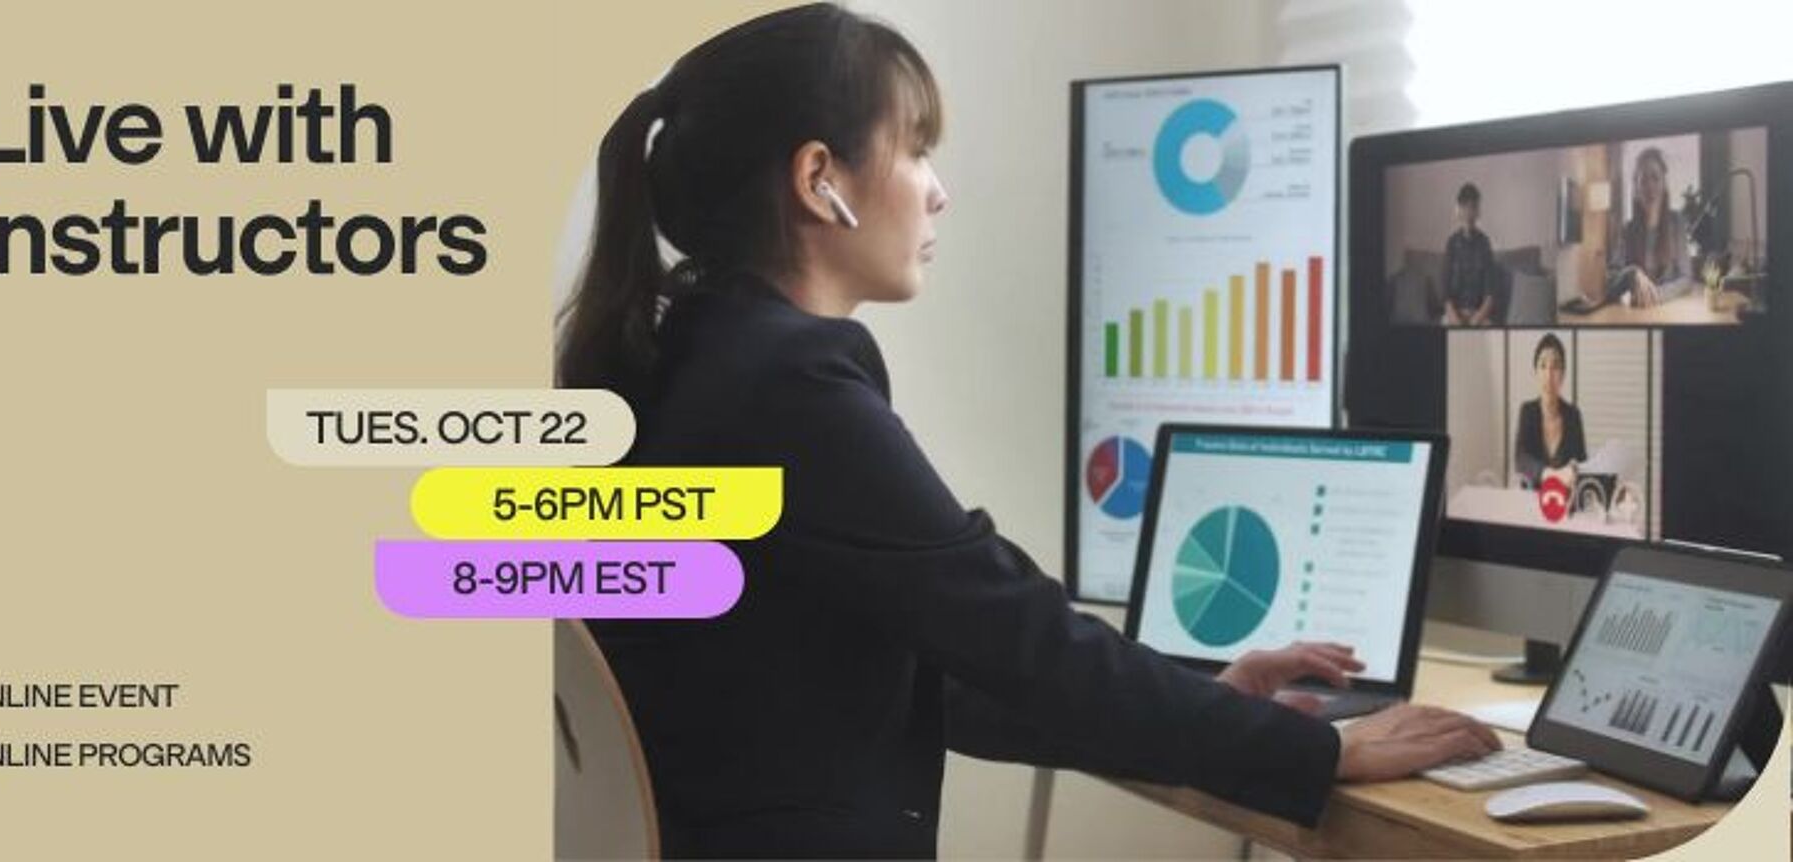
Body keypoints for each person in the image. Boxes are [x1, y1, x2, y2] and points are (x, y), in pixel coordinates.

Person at [558, 5, 1499, 857]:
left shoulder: (693, 354)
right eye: (916, 149)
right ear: (820, 181)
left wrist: (1213, 704)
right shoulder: (787, 384)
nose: (938, 191)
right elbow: (1011, 627)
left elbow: (932, 666)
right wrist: (1317, 749)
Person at [1609, 147, 1693, 307]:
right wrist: (1631, 273)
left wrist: (1655, 295)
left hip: (1669, 311)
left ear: (1664, 183)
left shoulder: (1677, 222)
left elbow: (1686, 278)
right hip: (1636, 314)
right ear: (1636, 188)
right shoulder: (1628, 229)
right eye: (1643, 180)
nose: (1650, 186)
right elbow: (1611, 279)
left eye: (1655, 178)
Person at [1514, 333, 1588, 488]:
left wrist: (1574, 469)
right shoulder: (1528, 411)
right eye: (1543, 366)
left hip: (1564, 501)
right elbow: (1520, 459)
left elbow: (1582, 463)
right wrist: (1551, 474)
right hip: (1530, 501)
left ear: (1563, 373)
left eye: (1555, 366)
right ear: (1536, 372)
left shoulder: (1573, 415)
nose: (1549, 375)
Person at [1442, 182, 1496, 325]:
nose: (1469, 212)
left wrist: (1476, 319)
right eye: (1465, 207)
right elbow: (1446, 292)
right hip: (1454, 314)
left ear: (1478, 211)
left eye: (1473, 207)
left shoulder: (1485, 243)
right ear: (1459, 210)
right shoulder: (1451, 243)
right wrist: (1455, 319)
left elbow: (1490, 295)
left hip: (1479, 315)